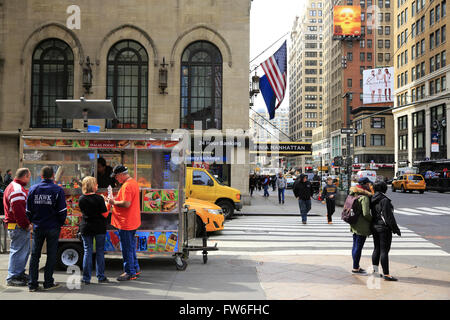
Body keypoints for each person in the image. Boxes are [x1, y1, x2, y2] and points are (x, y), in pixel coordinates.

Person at [27, 166, 67, 291]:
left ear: (41, 175)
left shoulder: (33, 189)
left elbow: (28, 210)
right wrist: (60, 223)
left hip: (38, 226)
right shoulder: (57, 190)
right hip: (53, 227)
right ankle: (48, 282)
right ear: (53, 175)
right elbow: (62, 211)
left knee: (35, 255)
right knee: (51, 255)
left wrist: (32, 222)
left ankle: (32, 284)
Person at [108, 165, 141, 281]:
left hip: (126, 222)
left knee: (127, 248)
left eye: (116, 176)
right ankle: (135, 268)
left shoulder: (127, 186)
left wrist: (113, 202)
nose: (116, 179)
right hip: (132, 221)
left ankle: (129, 272)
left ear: (121, 174)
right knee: (130, 247)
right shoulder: (133, 183)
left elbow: (126, 204)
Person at [3, 168, 32, 286]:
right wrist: (26, 225)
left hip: (15, 225)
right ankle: (13, 276)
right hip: (18, 226)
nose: (29, 179)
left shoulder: (13, 186)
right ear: (25, 176)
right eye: (29, 177)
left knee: (21, 251)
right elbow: (19, 211)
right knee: (18, 251)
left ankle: (18, 273)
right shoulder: (17, 189)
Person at [79, 176, 110, 284]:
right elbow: (105, 214)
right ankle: (100, 276)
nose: (97, 186)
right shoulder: (99, 198)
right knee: (100, 251)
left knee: (87, 251)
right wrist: (107, 203)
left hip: (86, 227)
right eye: (96, 184)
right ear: (92, 186)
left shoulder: (81, 198)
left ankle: (86, 278)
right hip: (99, 227)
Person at [371, 181, 401, 281]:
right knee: (384, 251)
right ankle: (387, 274)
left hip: (374, 226)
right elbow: (388, 217)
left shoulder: (372, 198)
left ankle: (375, 272)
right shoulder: (384, 200)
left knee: (376, 249)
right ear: (384, 189)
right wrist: (395, 229)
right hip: (383, 228)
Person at [349, 177, 374, 275]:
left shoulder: (353, 192)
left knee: (355, 245)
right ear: (365, 185)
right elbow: (366, 213)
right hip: (361, 225)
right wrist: (372, 220)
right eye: (368, 184)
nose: (369, 185)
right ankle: (355, 268)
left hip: (354, 222)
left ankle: (356, 266)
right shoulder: (364, 197)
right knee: (358, 247)